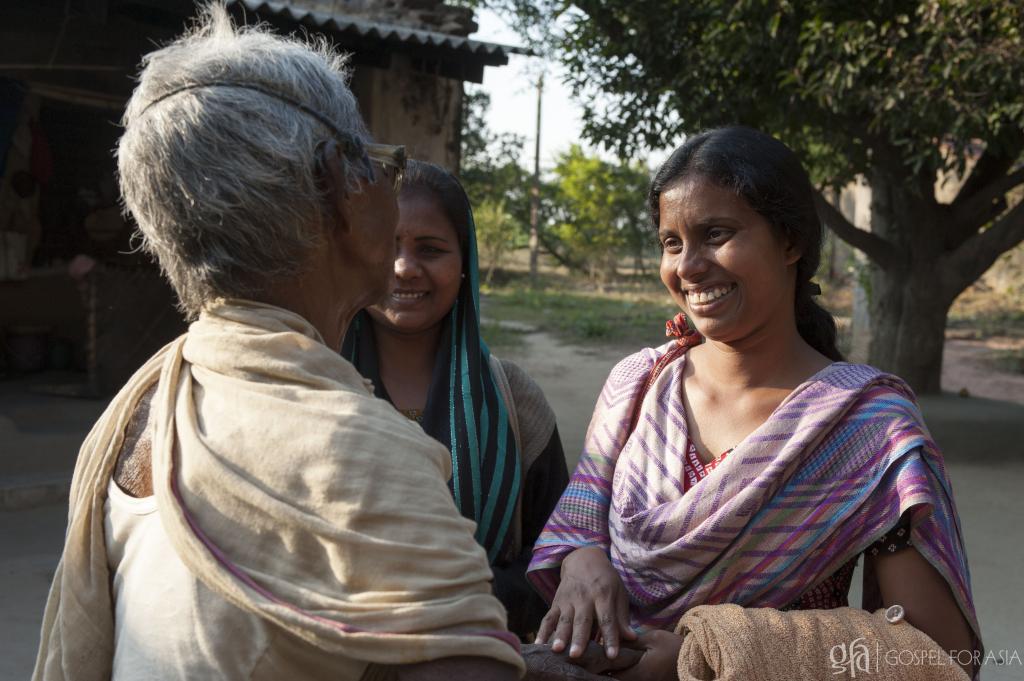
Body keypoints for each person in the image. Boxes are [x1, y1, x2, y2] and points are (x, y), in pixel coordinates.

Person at [33, 7, 523, 680]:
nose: (390, 188)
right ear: (339, 185)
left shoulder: (146, 402)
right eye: (384, 165)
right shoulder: (359, 453)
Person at [527, 127, 981, 679]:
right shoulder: (638, 385)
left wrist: (707, 655)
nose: (688, 266)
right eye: (672, 243)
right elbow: (580, 516)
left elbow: (940, 653)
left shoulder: (867, 427)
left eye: (716, 233)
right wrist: (582, 561)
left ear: (790, 242)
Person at [342, 160, 569, 639]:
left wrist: (471, 604)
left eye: (431, 249)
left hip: (480, 649)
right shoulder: (316, 385)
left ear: (464, 265)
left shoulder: (515, 401)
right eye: (386, 246)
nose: (404, 267)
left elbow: (558, 549)